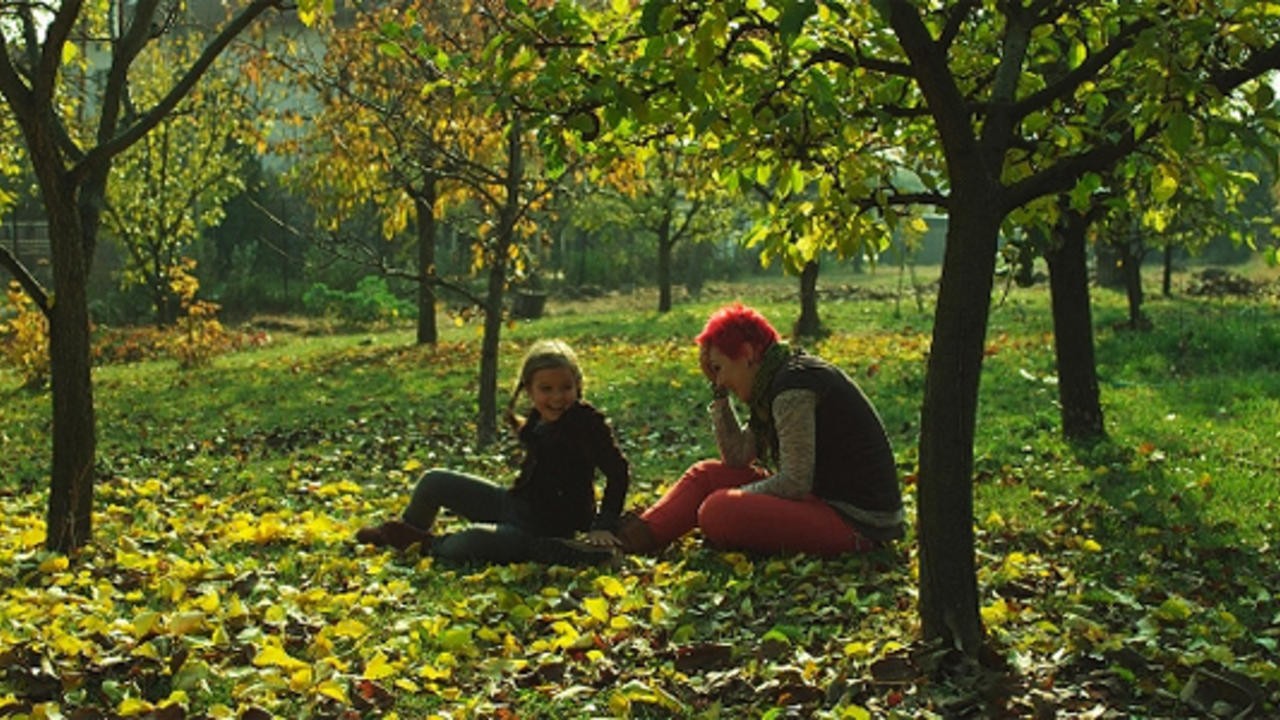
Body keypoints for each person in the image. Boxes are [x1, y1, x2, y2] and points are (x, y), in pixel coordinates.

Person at [616, 303, 904, 556]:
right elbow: (738, 456)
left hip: (857, 522)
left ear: (747, 353)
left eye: (719, 369)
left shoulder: (793, 388)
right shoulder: (769, 383)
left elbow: (795, 482)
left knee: (718, 510)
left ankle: (632, 539)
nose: (720, 380)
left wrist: (741, 495)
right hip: (817, 501)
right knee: (706, 475)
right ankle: (628, 539)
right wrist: (719, 395)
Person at [356, 339, 629, 566]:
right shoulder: (538, 419)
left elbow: (618, 472)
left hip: (541, 530)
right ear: (529, 389)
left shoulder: (586, 423)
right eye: (546, 389)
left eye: (566, 388)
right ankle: (406, 531)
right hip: (513, 505)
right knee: (433, 481)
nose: (557, 397)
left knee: (471, 541)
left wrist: (603, 524)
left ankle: (429, 544)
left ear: (578, 385)